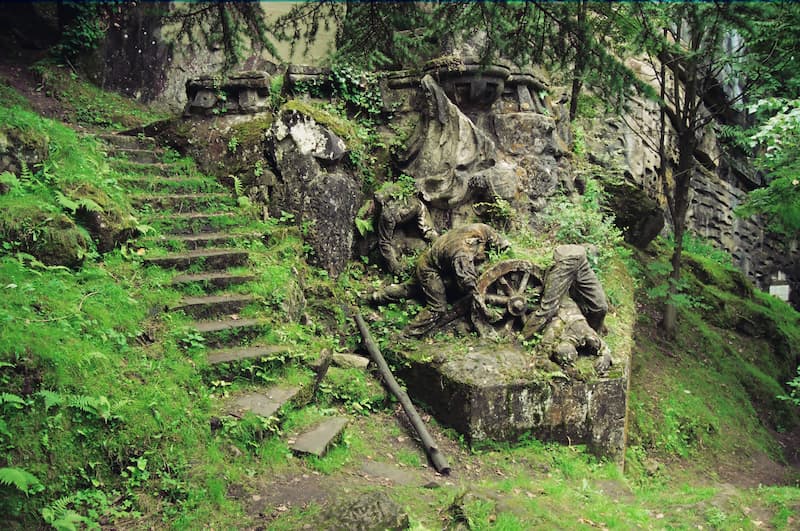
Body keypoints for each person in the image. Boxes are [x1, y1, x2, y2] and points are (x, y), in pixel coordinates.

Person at [522, 244, 608, 339]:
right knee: (548, 308)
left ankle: (590, 334)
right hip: (564, 261)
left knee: (601, 307)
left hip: (581, 257)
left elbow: (601, 307)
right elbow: (548, 308)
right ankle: (523, 337)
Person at [374, 183, 439, 274]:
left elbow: (428, 229)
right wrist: (395, 267)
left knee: (427, 234)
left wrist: (437, 243)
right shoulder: (388, 214)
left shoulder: (417, 205)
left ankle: (438, 247)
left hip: (403, 213)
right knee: (387, 243)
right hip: (392, 215)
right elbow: (384, 242)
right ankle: (395, 269)